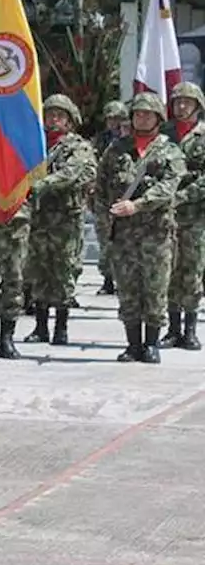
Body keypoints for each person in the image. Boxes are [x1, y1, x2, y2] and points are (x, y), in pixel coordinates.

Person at [96, 92, 185, 364]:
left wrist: (138, 205)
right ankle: (132, 344)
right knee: (128, 289)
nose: (141, 117)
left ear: (158, 118)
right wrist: (106, 216)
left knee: (155, 288)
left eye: (147, 114)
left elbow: (169, 186)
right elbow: (101, 186)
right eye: (137, 113)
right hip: (123, 235)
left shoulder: (170, 150)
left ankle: (151, 343)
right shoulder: (117, 149)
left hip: (156, 234)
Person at [22, 95, 97, 346]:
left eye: (59, 116)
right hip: (38, 218)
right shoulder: (35, 144)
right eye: (50, 115)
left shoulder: (78, 146)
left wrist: (41, 184)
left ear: (70, 120)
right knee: (38, 271)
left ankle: (61, 328)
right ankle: (40, 326)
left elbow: (72, 172)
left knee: (63, 271)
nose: (53, 120)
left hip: (65, 219)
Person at [156, 82, 205, 351]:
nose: (181, 106)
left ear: (198, 105)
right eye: (177, 102)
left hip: (195, 216)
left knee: (192, 271)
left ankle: (190, 330)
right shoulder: (163, 135)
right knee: (169, 270)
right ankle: (172, 329)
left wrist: (183, 196)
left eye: (187, 102)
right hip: (164, 215)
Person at [91, 100, 130, 296]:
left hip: (127, 197)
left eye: (117, 119)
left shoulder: (130, 140)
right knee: (105, 240)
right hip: (104, 197)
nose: (112, 123)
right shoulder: (100, 140)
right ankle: (108, 279)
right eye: (109, 119)